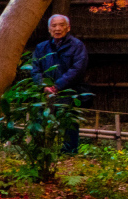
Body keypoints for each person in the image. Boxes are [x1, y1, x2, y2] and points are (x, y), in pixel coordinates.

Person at [30, 14, 89, 154]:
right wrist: (43, 86)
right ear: (49, 29)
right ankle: (39, 151)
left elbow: (78, 69)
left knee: (69, 123)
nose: (58, 28)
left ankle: (69, 153)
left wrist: (58, 86)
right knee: (41, 119)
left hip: (68, 91)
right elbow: (35, 69)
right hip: (45, 92)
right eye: (54, 25)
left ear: (68, 28)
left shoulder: (77, 46)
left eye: (61, 25)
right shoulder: (41, 47)